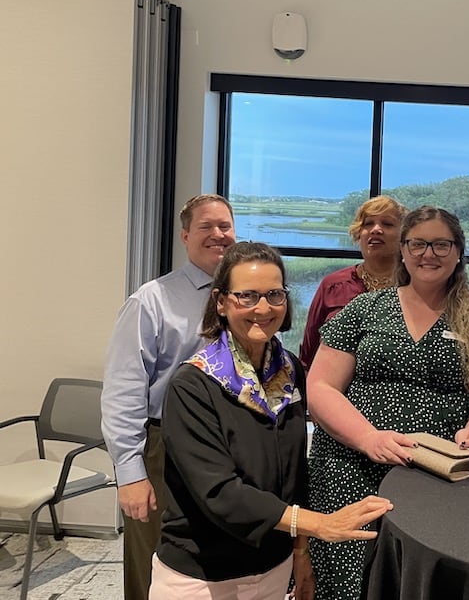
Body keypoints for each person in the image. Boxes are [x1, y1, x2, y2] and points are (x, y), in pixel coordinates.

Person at [152, 241, 393, 600]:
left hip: (273, 567)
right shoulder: (194, 385)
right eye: (247, 296)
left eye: (274, 295)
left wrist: (300, 552)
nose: (262, 309)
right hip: (202, 573)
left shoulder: (290, 370)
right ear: (221, 302)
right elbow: (219, 493)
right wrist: (321, 524)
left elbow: (294, 475)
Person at [306, 206, 469, 600]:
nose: (428, 254)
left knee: (419, 582)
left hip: (435, 476)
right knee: (348, 585)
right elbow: (320, 388)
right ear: (403, 250)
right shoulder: (364, 309)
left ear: (458, 252)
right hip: (349, 468)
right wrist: (369, 438)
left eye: (440, 244)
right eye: (417, 243)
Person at [101, 193, 236, 600]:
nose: (218, 234)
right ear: (185, 236)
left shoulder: (245, 296)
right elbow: (123, 392)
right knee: (153, 561)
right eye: (205, 227)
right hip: (165, 448)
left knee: (214, 560)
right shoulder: (151, 301)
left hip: (231, 445)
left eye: (225, 226)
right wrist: (130, 473)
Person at [299, 196, 407, 371]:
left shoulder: (414, 286)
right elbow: (308, 355)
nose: (376, 230)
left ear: (405, 236)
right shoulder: (333, 285)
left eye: (387, 224)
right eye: (368, 224)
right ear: (358, 233)